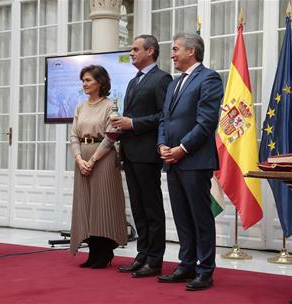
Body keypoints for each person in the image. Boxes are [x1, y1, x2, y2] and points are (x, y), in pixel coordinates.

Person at [157, 33, 223, 291]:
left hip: (194, 160)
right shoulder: (174, 84)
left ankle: (205, 270)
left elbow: (206, 122)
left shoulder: (209, 78)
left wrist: (181, 149)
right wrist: (162, 145)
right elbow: (164, 119)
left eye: (175, 49)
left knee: (200, 218)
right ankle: (186, 265)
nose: (172, 54)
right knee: (182, 217)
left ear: (191, 52)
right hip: (172, 160)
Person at [111, 35, 172, 278]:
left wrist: (132, 123)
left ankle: (155, 260)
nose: (132, 53)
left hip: (147, 153)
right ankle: (142, 255)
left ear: (150, 51)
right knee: (138, 208)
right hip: (130, 152)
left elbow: (164, 116)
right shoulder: (133, 81)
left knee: (151, 208)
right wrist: (121, 125)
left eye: (136, 49)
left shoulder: (162, 79)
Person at [69, 65, 127, 268]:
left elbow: (111, 137)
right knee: (86, 205)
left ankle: (104, 252)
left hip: (103, 159)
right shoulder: (80, 107)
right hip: (82, 160)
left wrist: (92, 161)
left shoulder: (111, 106)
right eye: (83, 80)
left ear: (100, 82)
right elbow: (74, 135)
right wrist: (79, 159)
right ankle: (93, 252)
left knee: (103, 205)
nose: (84, 84)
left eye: (88, 80)